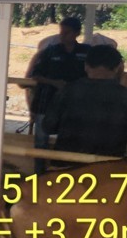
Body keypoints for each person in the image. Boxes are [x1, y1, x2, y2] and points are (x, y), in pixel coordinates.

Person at [44, 45, 127, 160]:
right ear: (118, 68)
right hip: (108, 166)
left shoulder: (67, 91)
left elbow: (48, 127)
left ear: (86, 66)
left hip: (66, 165)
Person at [29, 16, 89, 173]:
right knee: (41, 142)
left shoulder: (87, 52)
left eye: (67, 32)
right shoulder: (50, 51)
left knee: (71, 142)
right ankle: (39, 175)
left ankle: (65, 174)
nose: (62, 36)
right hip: (47, 102)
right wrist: (54, 82)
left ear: (77, 33)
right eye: (61, 32)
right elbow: (35, 75)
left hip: (75, 105)